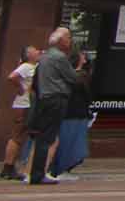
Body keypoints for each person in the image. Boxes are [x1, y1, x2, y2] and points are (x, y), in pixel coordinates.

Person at [26, 28, 76, 187]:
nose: (70, 41)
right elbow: (73, 78)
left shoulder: (45, 56)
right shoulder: (59, 57)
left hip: (44, 99)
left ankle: (36, 173)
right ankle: (39, 174)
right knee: (47, 138)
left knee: (42, 137)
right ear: (60, 41)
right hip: (56, 99)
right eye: (68, 37)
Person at [47, 52, 93, 182]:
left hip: (65, 111)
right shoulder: (81, 76)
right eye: (83, 57)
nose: (85, 59)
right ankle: (62, 168)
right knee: (72, 142)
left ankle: (57, 168)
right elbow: (87, 94)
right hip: (76, 113)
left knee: (64, 140)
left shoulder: (64, 75)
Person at [0, 45, 40, 182]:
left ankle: (10, 167)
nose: (38, 51)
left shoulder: (33, 66)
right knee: (17, 135)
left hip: (27, 104)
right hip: (24, 104)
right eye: (35, 50)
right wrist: (21, 87)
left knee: (20, 136)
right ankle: (8, 167)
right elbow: (12, 77)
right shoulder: (27, 66)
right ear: (28, 54)